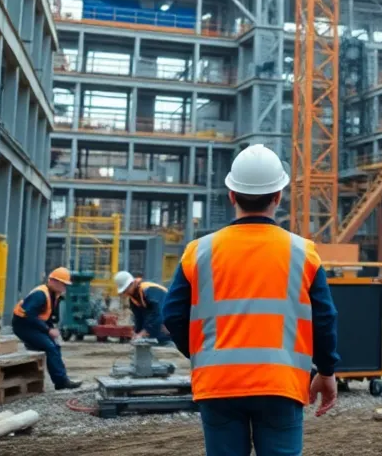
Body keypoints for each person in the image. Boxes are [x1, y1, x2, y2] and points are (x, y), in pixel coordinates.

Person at [163, 144, 339, 456]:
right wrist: (326, 372)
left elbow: (173, 315)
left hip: (218, 384)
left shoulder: (198, 251)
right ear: (279, 196)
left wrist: (202, 355)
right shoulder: (303, 252)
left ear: (231, 195)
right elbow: (324, 318)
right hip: (280, 383)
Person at [12, 267, 83, 390]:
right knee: (49, 347)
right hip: (23, 326)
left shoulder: (53, 295)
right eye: (63, 284)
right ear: (54, 281)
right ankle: (61, 383)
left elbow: (45, 316)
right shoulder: (40, 294)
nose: (65, 288)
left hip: (33, 325)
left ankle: (62, 379)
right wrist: (48, 330)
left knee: (55, 345)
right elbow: (29, 315)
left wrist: (50, 329)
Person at [114, 270, 170, 344]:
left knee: (165, 336)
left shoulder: (149, 290)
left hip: (169, 315)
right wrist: (137, 333)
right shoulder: (133, 299)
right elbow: (139, 318)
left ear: (132, 283)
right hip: (158, 319)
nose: (125, 293)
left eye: (126, 290)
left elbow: (157, 314)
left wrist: (144, 332)